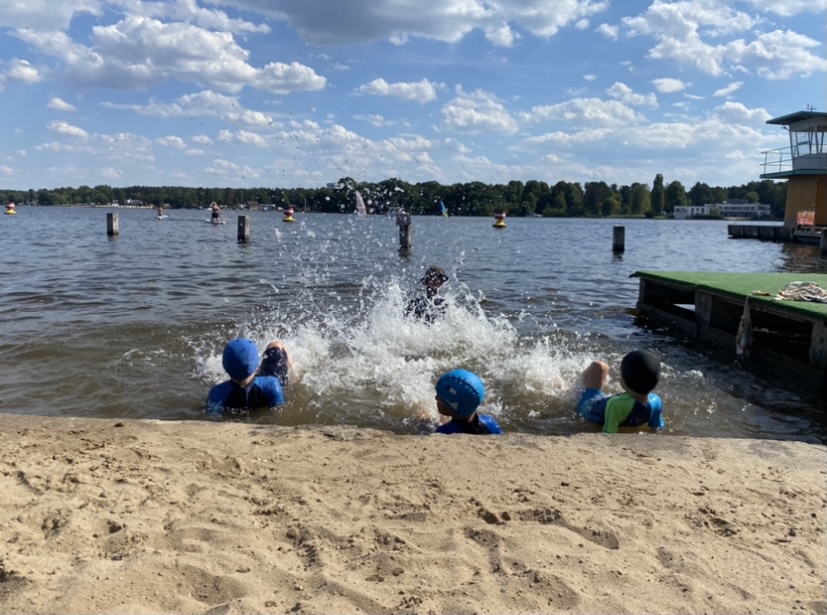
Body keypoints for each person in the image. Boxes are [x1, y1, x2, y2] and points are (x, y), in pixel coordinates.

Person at [576, 349, 664, 433]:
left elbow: (609, 434)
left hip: (590, 408)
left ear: (624, 380)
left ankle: (572, 392)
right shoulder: (656, 402)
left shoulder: (615, 404)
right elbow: (657, 427)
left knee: (599, 366)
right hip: (611, 407)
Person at [205, 338, 292, 417]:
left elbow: (213, 418)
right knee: (276, 345)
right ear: (256, 364)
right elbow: (280, 414)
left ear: (225, 366)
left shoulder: (217, 392)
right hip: (264, 387)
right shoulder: (271, 384)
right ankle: (294, 374)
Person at [432, 369, 503, 435]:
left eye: (439, 397)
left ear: (451, 409)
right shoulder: (489, 424)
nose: (436, 398)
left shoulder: (444, 432)